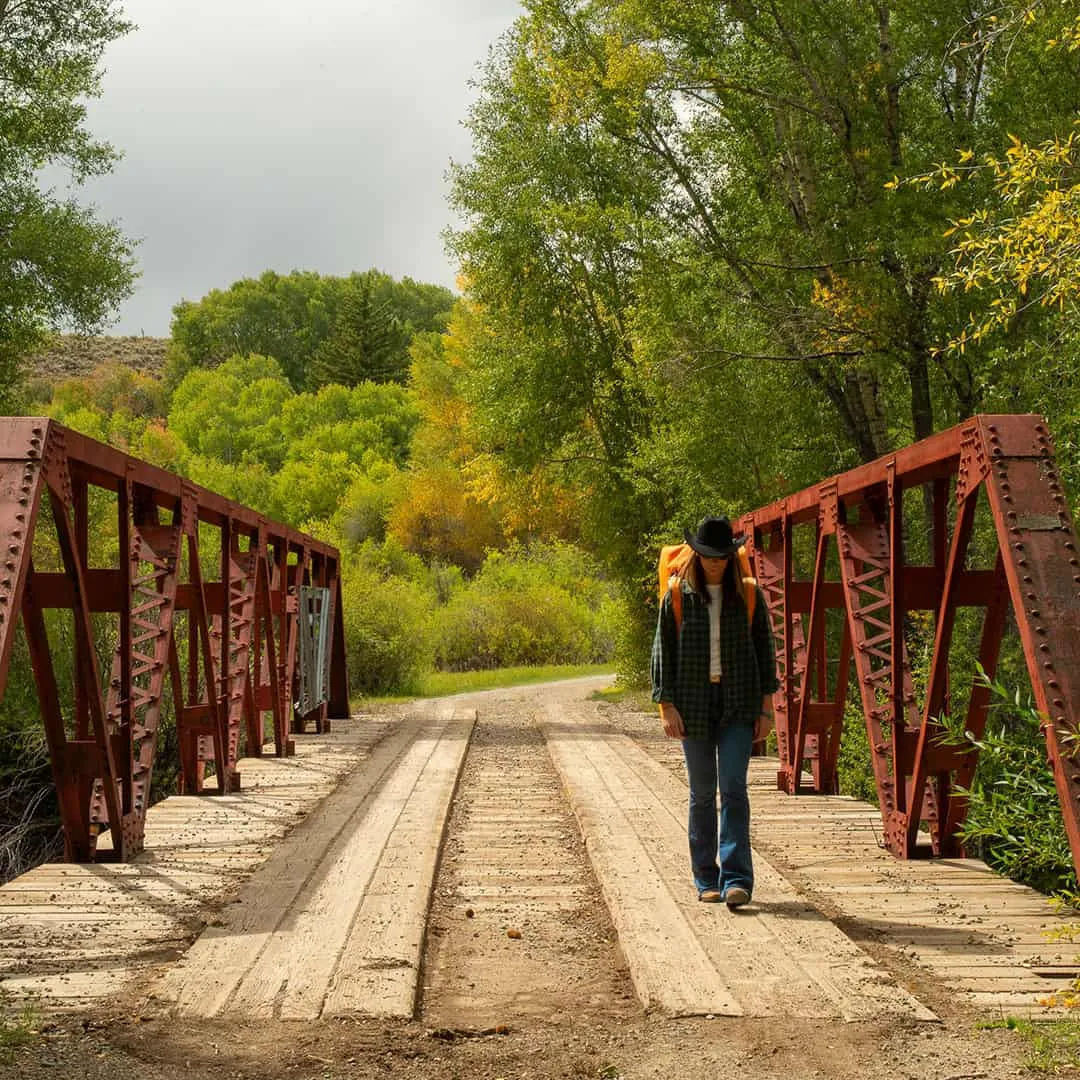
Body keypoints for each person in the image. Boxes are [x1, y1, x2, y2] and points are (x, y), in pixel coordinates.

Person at [650, 515, 780, 909]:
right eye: (707, 556)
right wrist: (666, 705)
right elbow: (662, 653)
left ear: (731, 556)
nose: (714, 563)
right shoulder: (676, 594)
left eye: (722, 556)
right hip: (692, 705)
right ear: (696, 555)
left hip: (739, 703)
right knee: (703, 794)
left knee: (735, 790)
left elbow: (765, 652)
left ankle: (737, 880)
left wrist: (768, 707)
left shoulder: (749, 594)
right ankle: (706, 878)